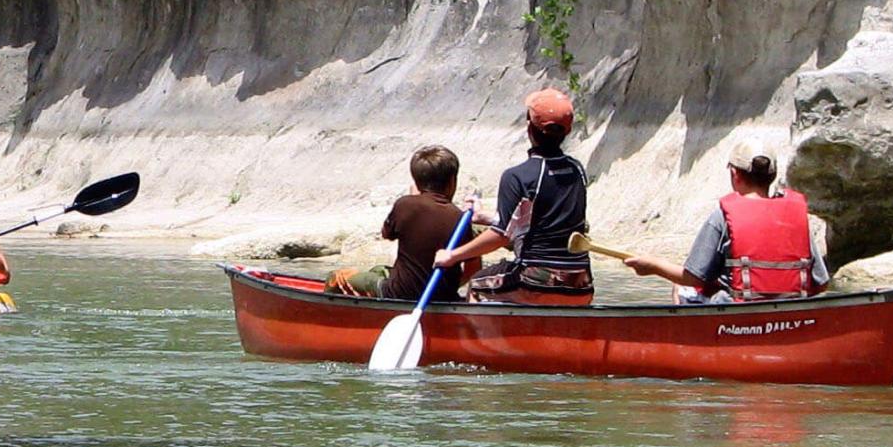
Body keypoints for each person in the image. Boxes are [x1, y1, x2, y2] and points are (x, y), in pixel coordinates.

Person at [434, 87, 594, 305]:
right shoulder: (577, 170)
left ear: (529, 127)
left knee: (477, 283)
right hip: (581, 285)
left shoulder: (517, 176)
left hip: (535, 283)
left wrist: (452, 256)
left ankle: (481, 339)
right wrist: (488, 217)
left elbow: (500, 236)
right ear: (567, 131)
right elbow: (543, 220)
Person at [623, 139, 829, 302]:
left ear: (734, 174)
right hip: (789, 315)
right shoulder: (795, 217)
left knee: (682, 288)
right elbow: (820, 283)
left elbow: (692, 277)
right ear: (772, 175)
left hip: (738, 317)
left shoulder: (722, 217)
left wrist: (652, 265)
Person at [327, 145, 480, 302]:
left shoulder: (405, 205)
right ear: (452, 181)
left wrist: (414, 197)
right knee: (378, 270)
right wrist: (449, 286)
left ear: (416, 182)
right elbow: (473, 270)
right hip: (442, 296)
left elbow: (386, 234)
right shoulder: (461, 219)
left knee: (335, 277)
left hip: (398, 293)